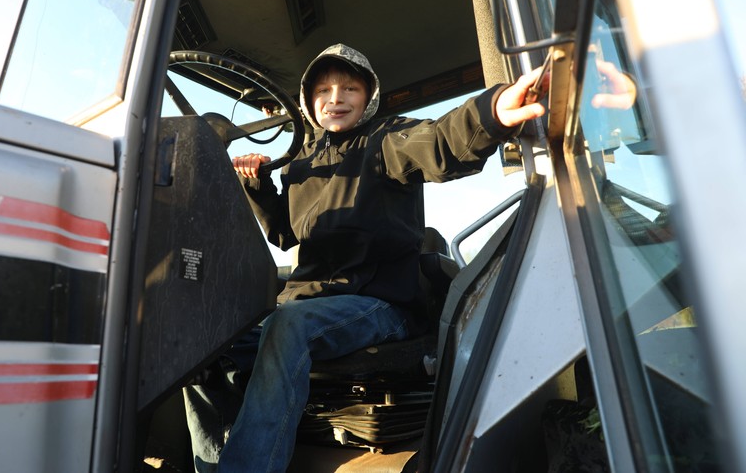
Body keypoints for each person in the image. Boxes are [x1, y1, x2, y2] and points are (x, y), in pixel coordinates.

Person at [184, 43, 546, 473]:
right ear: (308, 99)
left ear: (369, 96)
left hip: (380, 302)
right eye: (323, 90)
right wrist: (259, 187)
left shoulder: (386, 141)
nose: (335, 99)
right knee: (202, 345)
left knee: (287, 324)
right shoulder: (301, 162)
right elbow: (286, 234)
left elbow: (439, 142)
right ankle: (215, 461)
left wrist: (491, 113)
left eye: (349, 88)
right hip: (313, 302)